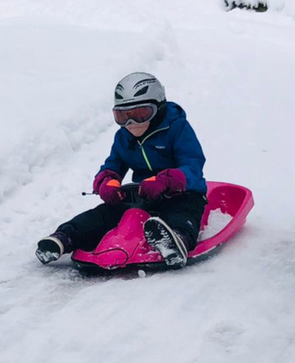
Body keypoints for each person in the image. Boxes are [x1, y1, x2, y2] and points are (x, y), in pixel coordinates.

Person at [36, 72, 207, 268]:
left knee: (183, 213)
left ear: (158, 108)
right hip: (143, 195)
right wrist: (106, 182)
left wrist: (166, 181)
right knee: (103, 215)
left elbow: (193, 165)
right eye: (123, 116)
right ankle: (64, 238)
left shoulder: (178, 129)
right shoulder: (123, 137)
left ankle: (176, 241)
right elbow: (113, 164)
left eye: (140, 114)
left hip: (181, 193)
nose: (131, 123)